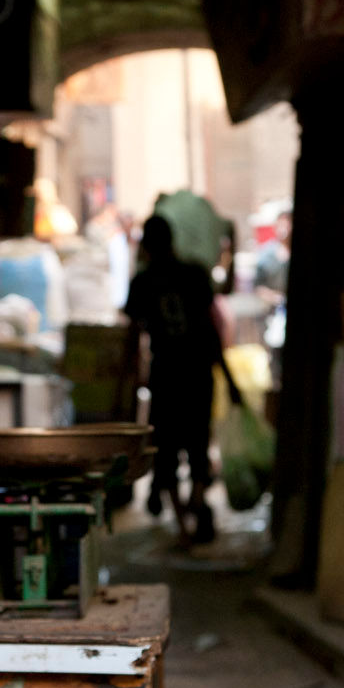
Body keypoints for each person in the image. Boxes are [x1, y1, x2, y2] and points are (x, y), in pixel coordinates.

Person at [126, 214, 240, 543]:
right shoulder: (194, 274)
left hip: (166, 377)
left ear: (146, 247)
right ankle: (198, 500)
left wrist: (125, 388)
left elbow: (132, 340)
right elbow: (210, 330)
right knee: (197, 443)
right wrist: (229, 379)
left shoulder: (143, 283)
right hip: (197, 372)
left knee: (167, 449)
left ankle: (182, 523)